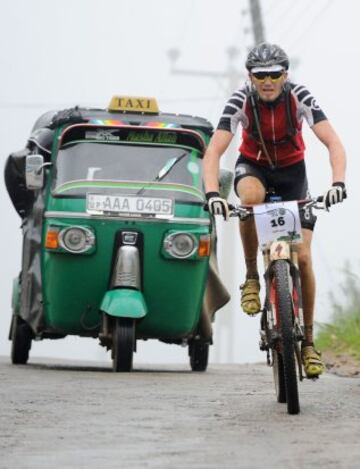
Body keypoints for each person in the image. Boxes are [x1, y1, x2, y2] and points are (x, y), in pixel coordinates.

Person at [202, 42, 347, 378]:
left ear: (285, 74)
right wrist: (212, 193)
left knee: (305, 257)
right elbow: (214, 151)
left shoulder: (299, 97)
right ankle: (252, 277)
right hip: (253, 167)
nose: (267, 81)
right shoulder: (240, 100)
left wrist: (337, 182)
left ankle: (308, 343)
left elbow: (333, 142)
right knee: (249, 199)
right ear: (249, 76)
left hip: (293, 175)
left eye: (274, 74)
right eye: (259, 75)